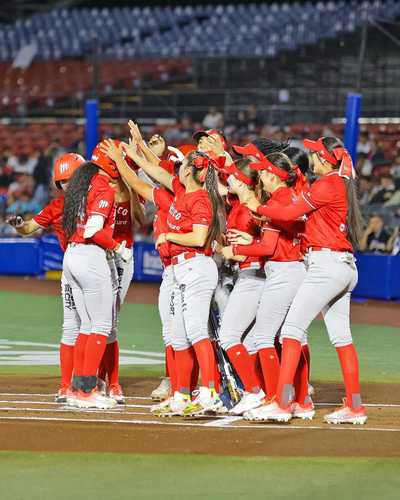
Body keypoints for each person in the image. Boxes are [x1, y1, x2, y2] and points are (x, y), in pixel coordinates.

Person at [238, 136, 367, 425]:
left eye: (315, 154)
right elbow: (297, 219)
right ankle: (355, 406)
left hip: (326, 266)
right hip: (343, 265)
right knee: (341, 337)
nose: (311, 158)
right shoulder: (340, 183)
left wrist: (256, 206)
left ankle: (283, 404)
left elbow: (288, 212)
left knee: (290, 332)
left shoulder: (328, 183)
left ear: (324, 160)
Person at [122, 123, 225, 417]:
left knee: (195, 331)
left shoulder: (202, 198)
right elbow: (155, 172)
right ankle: (180, 394)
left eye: (183, 166)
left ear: (193, 171)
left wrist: (170, 237)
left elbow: (199, 237)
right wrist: (134, 151)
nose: (178, 169)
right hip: (181, 269)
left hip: (197, 266)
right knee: (179, 335)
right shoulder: (181, 191)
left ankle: (210, 391)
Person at [222, 146, 310, 420]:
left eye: (263, 174)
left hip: (282, 272)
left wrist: (237, 251)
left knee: (264, 338)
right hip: (290, 270)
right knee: (289, 337)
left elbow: (269, 246)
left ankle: (276, 399)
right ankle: (297, 400)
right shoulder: (289, 197)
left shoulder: (276, 201)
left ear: (274, 176)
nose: (260, 179)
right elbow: (273, 241)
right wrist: (252, 241)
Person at [6, 152, 85, 402]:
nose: (67, 185)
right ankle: (66, 385)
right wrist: (19, 225)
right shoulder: (56, 206)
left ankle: (98, 380)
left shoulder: (99, 198)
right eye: (63, 181)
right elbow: (29, 228)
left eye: (72, 179)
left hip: (100, 265)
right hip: (72, 266)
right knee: (72, 327)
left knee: (101, 328)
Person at [62, 141, 132, 410]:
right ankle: (86, 390)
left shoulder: (83, 184)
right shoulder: (103, 187)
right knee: (101, 326)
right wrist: (118, 248)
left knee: (86, 326)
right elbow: (94, 229)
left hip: (72, 254)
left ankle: (75, 388)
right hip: (91, 256)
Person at [214, 157, 266, 415]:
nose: (229, 178)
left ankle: (254, 391)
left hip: (253, 276)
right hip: (249, 277)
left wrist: (229, 250)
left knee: (229, 336)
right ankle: (261, 391)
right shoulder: (240, 204)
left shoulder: (250, 210)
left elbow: (258, 250)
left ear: (244, 182)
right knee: (252, 342)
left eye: (233, 176)